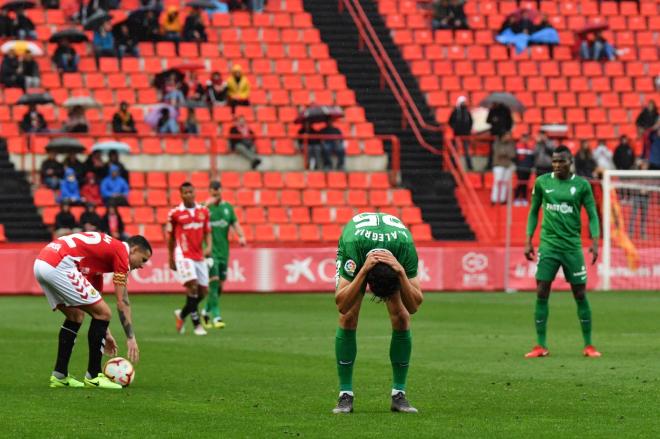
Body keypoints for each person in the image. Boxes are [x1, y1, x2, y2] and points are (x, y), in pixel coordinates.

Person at [34, 232, 151, 389]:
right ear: (134, 249)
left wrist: (105, 332)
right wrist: (131, 338)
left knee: (76, 315)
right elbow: (122, 301)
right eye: (143, 259)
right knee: (105, 312)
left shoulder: (101, 258)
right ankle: (93, 376)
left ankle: (59, 376)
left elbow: (95, 309)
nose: (142, 265)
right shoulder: (122, 252)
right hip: (60, 264)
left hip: (43, 262)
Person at [332, 212, 423, 414]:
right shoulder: (352, 245)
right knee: (348, 317)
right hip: (359, 244)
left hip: (394, 253)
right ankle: (345, 394)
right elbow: (342, 304)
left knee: (402, 317)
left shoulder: (404, 247)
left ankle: (399, 395)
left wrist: (400, 271)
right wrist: (363, 271)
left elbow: (414, 305)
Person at [524, 145, 601, 359]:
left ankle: (589, 345)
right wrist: (528, 240)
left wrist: (595, 241)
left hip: (572, 247)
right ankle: (540, 345)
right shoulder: (542, 183)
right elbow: (533, 212)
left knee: (580, 293)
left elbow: (593, 214)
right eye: (555, 161)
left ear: (571, 162)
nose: (557, 165)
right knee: (541, 291)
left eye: (562, 161)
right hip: (548, 246)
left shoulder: (582, 185)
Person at [200, 180, 247, 329]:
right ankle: (217, 317)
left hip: (224, 251)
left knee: (220, 286)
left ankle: (205, 312)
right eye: (213, 192)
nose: (215, 194)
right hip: (210, 251)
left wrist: (241, 236)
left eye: (217, 191)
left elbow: (234, 223)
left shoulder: (227, 208)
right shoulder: (205, 208)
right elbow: (195, 217)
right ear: (209, 192)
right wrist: (206, 205)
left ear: (221, 191)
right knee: (213, 283)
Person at [168, 182, 212, 336]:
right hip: (183, 254)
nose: (188, 195)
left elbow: (207, 231)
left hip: (199, 254)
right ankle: (197, 325)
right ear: (180, 194)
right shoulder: (175, 213)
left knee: (203, 291)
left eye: (190, 192)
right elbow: (171, 237)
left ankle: (181, 314)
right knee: (192, 286)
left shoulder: (204, 211)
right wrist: (171, 257)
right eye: (185, 192)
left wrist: (209, 247)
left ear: (195, 192)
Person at [448, 96, 473, 170]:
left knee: (467, 151)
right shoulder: (456, 111)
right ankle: (453, 165)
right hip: (457, 134)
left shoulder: (467, 112)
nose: (464, 104)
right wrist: (455, 128)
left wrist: (468, 129)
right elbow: (450, 121)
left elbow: (471, 122)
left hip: (465, 134)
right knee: (455, 150)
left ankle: (469, 166)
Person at [491, 132, 516, 205]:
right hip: (498, 165)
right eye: (507, 136)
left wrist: (505, 152)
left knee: (505, 183)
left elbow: (513, 154)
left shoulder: (511, 144)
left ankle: (502, 199)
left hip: (507, 166)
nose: (509, 137)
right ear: (503, 136)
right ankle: (494, 199)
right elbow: (499, 152)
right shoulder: (497, 143)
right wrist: (506, 152)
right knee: (497, 182)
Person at [514, 133, 535, 206]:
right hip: (519, 169)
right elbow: (515, 158)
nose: (525, 139)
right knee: (519, 183)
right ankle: (516, 198)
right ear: (521, 138)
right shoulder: (517, 146)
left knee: (525, 184)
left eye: (526, 138)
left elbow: (532, 159)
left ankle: (524, 198)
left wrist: (532, 166)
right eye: (524, 137)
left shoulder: (530, 147)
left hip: (528, 169)